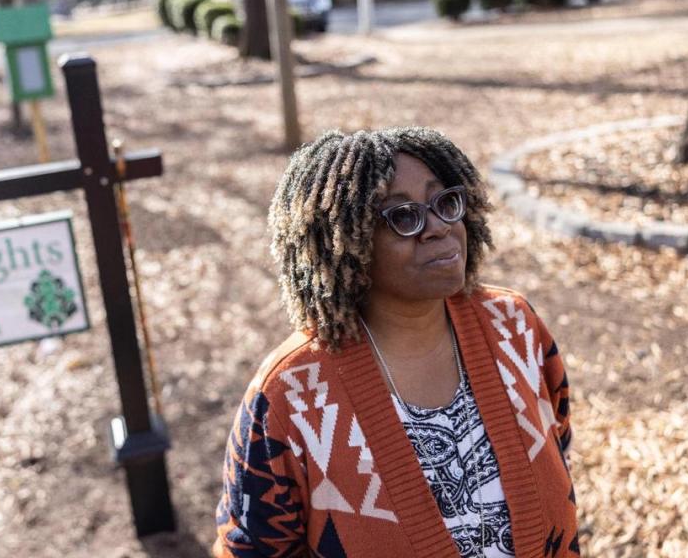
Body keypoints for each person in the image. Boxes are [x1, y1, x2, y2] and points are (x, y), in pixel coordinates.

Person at [213, 127, 577, 557]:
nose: (439, 227)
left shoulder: (515, 326)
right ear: (345, 244)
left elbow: (560, 448)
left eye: (445, 202)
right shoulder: (288, 397)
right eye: (404, 216)